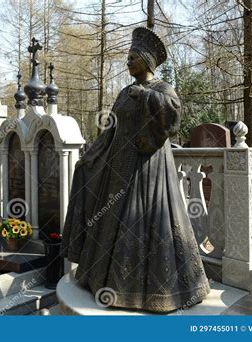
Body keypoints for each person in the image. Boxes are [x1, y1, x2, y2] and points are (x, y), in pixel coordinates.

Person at [62, 27, 210, 312]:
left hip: (149, 170)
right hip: (118, 168)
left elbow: (173, 114)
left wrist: (144, 97)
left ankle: (154, 292)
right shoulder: (123, 92)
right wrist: (89, 157)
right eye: (127, 57)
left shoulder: (162, 89)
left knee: (145, 224)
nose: (128, 62)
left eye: (132, 57)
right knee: (113, 224)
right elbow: (110, 132)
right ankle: (104, 280)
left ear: (147, 60)